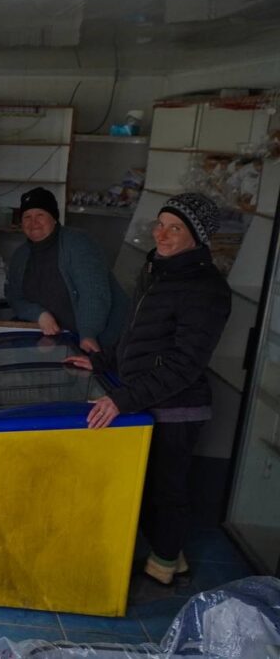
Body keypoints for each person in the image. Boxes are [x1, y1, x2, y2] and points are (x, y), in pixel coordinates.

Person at [65, 193, 231, 591]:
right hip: (146, 398)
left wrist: (121, 399)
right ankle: (173, 553)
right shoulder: (158, 269)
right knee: (150, 484)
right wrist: (104, 362)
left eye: (176, 228)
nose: (163, 233)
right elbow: (136, 335)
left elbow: (184, 363)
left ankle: (164, 565)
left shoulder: (206, 287)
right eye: (161, 224)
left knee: (166, 488)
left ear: (197, 236)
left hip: (177, 407)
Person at [5, 187, 129, 352]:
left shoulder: (78, 243)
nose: (33, 222)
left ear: (54, 219)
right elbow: (15, 297)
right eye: (27, 217)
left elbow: (93, 294)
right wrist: (39, 314)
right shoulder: (21, 255)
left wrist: (88, 334)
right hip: (60, 340)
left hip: (102, 338)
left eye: (40, 215)